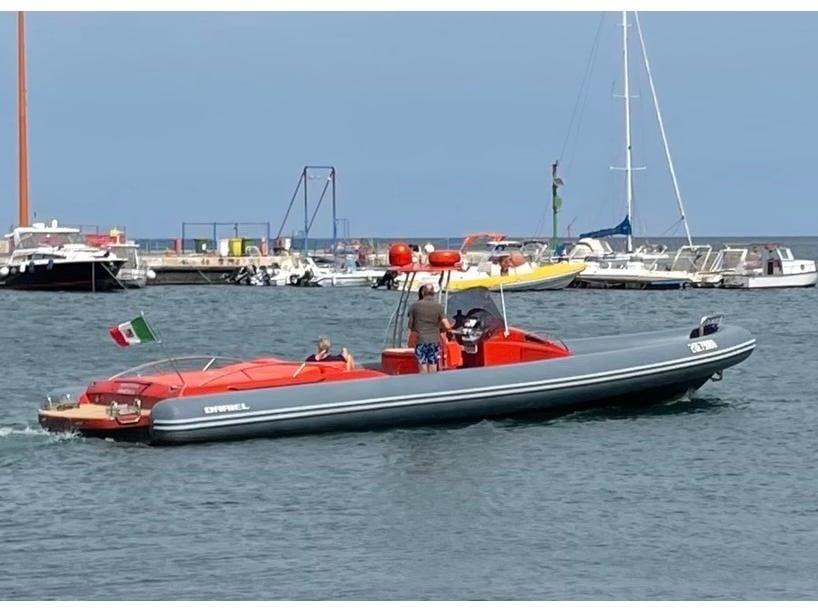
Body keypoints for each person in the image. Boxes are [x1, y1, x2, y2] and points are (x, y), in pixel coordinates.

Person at [407, 283, 452, 374]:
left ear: (423, 293)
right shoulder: (439, 307)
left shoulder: (415, 306)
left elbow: (410, 326)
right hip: (434, 341)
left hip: (421, 340)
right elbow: (447, 325)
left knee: (422, 364)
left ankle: (424, 385)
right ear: (433, 293)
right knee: (433, 363)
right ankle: (434, 384)